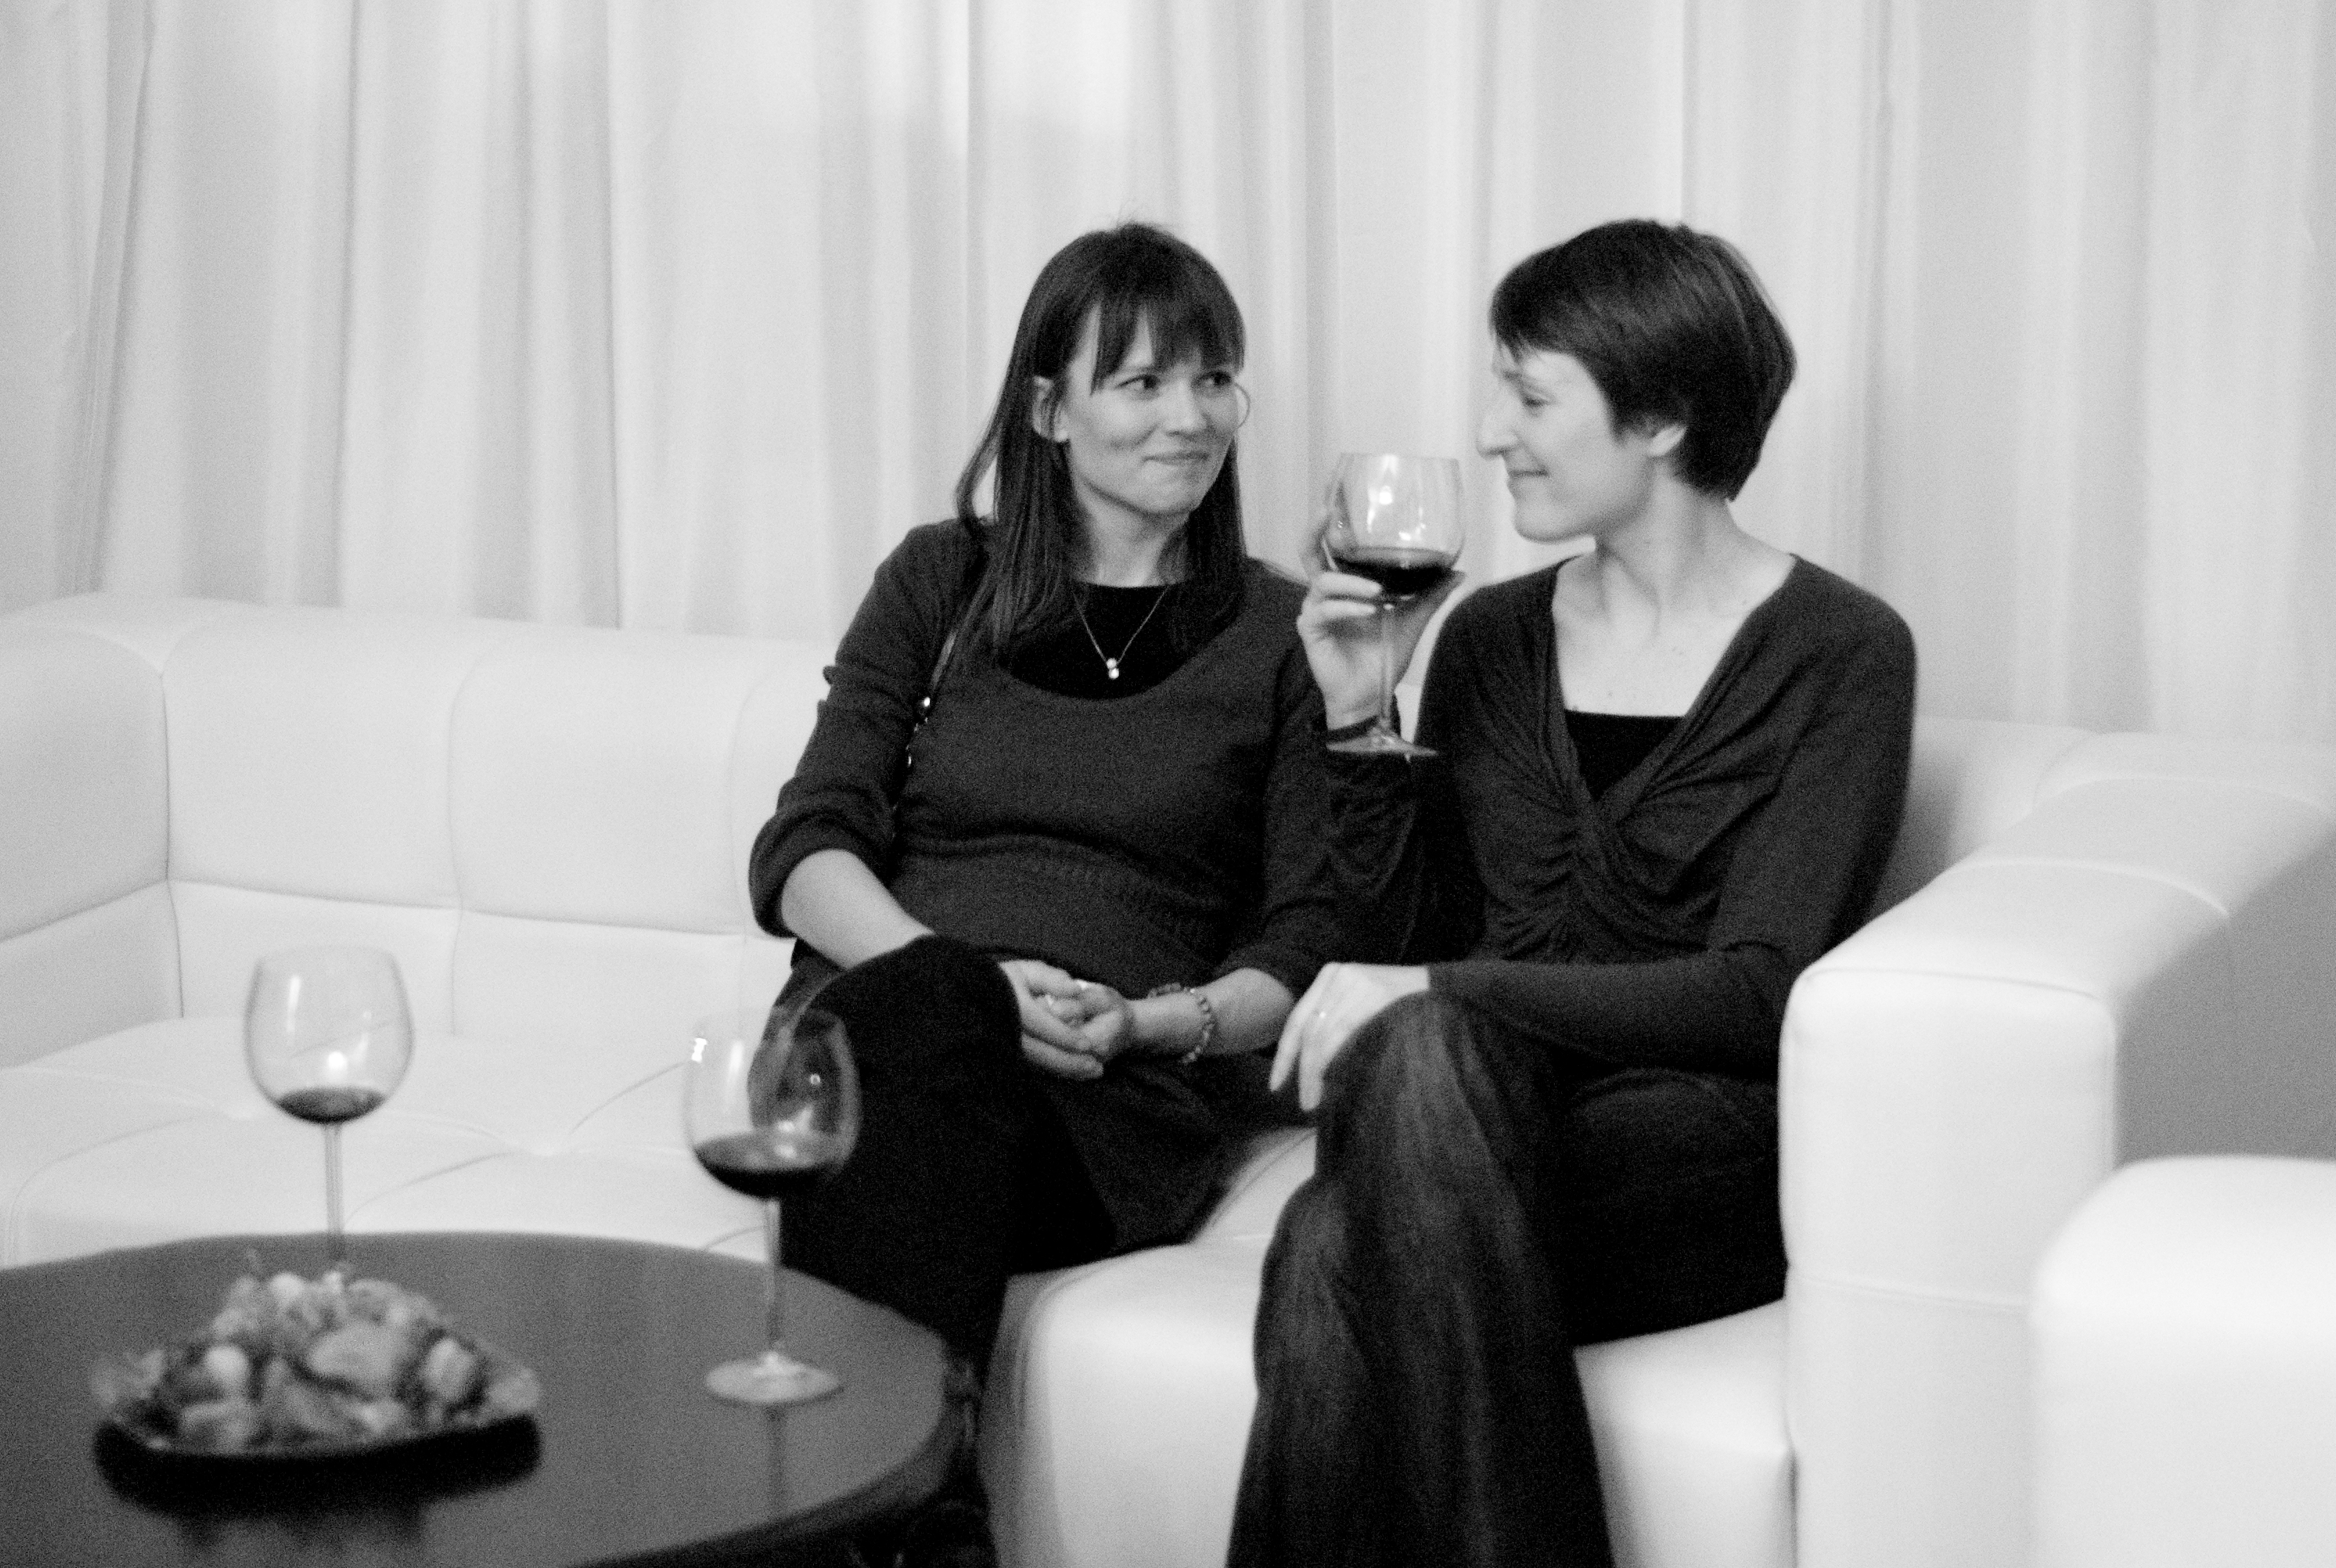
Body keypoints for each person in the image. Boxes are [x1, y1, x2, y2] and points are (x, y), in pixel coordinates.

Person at [1227, 220, 1917, 1568]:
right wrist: (1360, 724)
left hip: (1691, 1152)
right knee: (1363, 1176)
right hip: (1458, 1122)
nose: (1493, 434)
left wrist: (1439, 993)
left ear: (1659, 419)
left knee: (1332, 1232)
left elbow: (1758, 993)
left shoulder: (1841, 654)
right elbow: (1406, 939)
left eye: (1532, 397)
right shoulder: (1487, 639)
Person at [748, 222, 1336, 1567]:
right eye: (1141, 382)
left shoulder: (1287, 634)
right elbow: (804, 849)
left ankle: (888, 1522)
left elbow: (1310, 942)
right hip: (870, 1043)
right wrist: (953, 978)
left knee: (921, 1071)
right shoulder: (938, 581)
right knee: (927, 1018)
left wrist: (1152, 1024)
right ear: (1048, 411)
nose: (1191, 418)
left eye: (1214, 380)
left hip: (1097, 1102)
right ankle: (923, 1524)